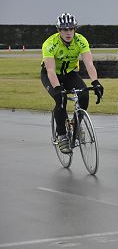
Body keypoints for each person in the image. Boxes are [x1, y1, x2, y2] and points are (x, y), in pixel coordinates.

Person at [41, 12, 104, 154]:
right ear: (59, 30)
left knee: (85, 94)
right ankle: (62, 135)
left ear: (75, 29)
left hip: (69, 73)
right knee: (61, 99)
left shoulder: (81, 40)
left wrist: (96, 82)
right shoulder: (50, 44)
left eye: (71, 29)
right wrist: (58, 89)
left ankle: (75, 124)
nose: (68, 32)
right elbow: (50, 70)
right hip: (50, 75)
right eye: (64, 29)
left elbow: (89, 64)